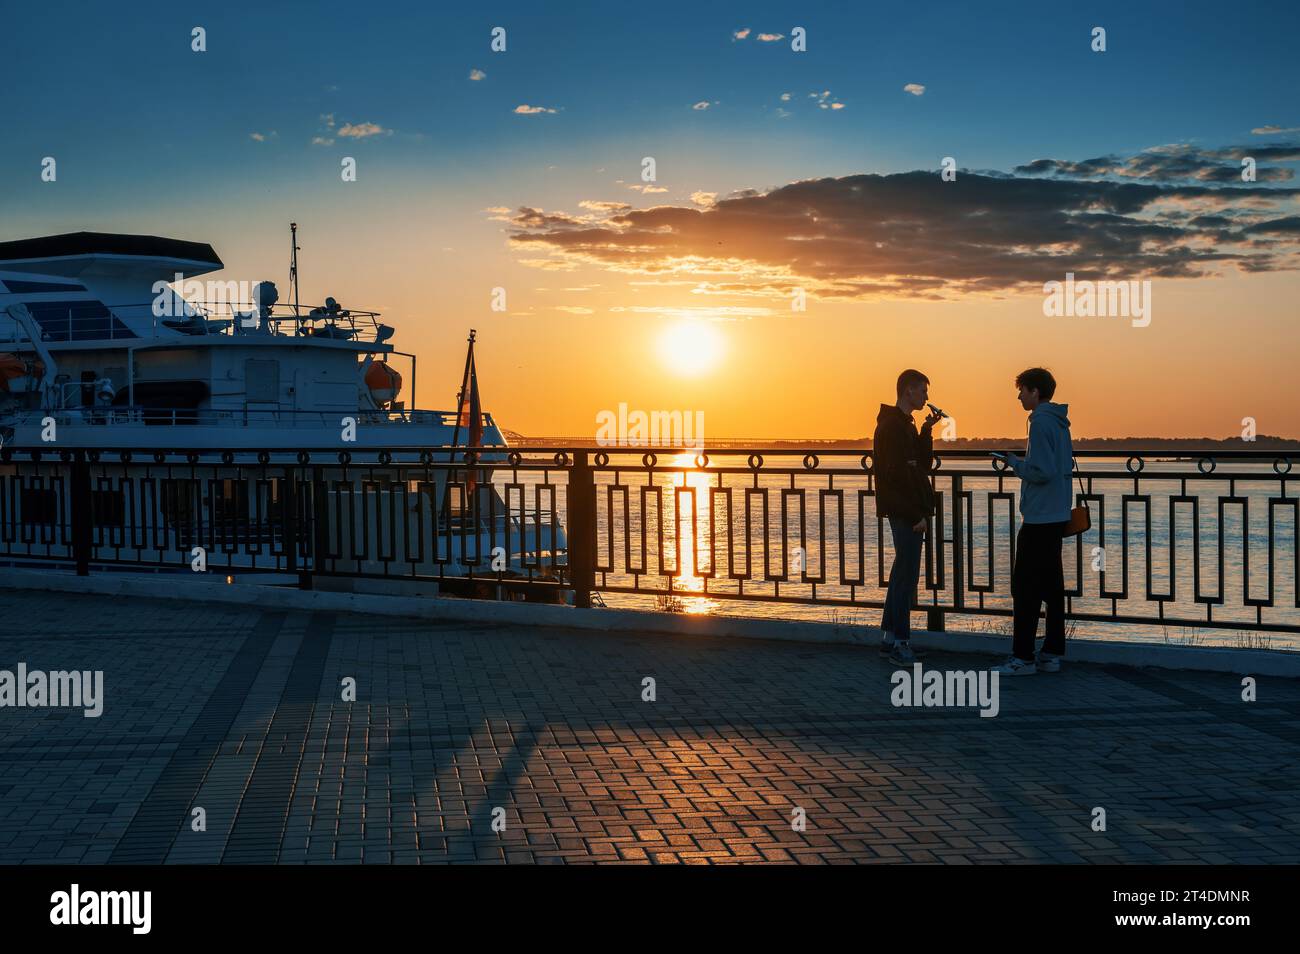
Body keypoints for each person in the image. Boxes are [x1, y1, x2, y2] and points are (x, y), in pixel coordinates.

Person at [993, 367, 1074, 675]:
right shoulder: (1060, 422)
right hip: (1058, 513)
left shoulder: (1039, 422)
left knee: (1025, 587)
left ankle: (1022, 657)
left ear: (1035, 392)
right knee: (1053, 587)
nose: (1019, 396)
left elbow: (1042, 471)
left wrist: (1015, 463)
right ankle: (1052, 652)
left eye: (1023, 390)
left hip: (1039, 517)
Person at [874, 369, 942, 665]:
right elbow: (897, 476)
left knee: (902, 574)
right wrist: (919, 514)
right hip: (905, 511)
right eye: (923, 391)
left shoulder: (905, 424)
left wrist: (927, 430)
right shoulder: (892, 426)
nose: (927, 397)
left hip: (906, 509)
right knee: (906, 576)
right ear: (908, 391)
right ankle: (901, 643)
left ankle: (890, 639)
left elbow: (921, 465)